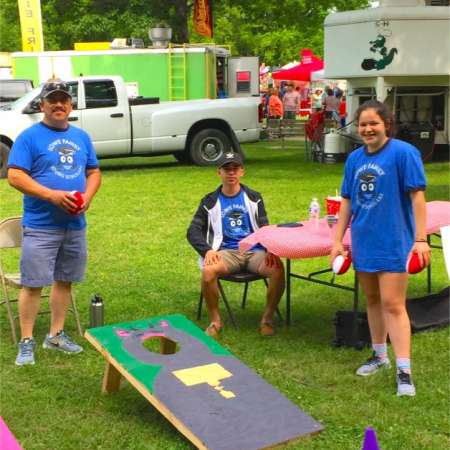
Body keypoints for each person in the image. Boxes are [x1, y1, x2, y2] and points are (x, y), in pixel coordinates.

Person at [330, 100, 430, 397]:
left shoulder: (404, 153)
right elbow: (347, 201)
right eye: (362, 124)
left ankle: (404, 370)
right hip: (364, 240)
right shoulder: (355, 159)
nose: (368, 129)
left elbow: (417, 198)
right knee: (372, 300)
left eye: (373, 123)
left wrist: (421, 239)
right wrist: (338, 239)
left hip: (393, 241)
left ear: (387, 123)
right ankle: (379, 355)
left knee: (394, 305)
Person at [7, 79, 102, 366]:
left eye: (64, 99)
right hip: (41, 225)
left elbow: (94, 171)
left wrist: (87, 196)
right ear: (43, 105)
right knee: (33, 284)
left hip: (75, 225)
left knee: (65, 280)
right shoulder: (29, 137)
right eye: (53, 100)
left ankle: (56, 334)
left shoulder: (82, 137)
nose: (59, 104)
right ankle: (26, 341)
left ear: (71, 105)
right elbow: (15, 176)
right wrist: (52, 196)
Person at [187, 152, 285, 338]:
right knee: (208, 272)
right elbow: (192, 231)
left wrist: (271, 248)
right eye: (227, 169)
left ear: (242, 172)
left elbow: (264, 227)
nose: (231, 173)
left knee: (278, 269)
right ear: (219, 173)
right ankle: (215, 322)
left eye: (235, 169)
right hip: (226, 253)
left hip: (254, 251)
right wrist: (207, 250)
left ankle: (267, 319)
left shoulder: (254, 198)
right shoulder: (209, 201)